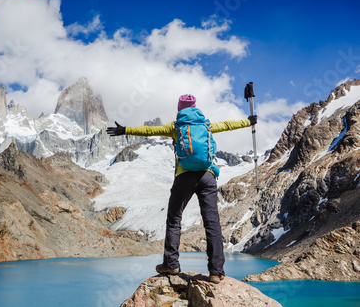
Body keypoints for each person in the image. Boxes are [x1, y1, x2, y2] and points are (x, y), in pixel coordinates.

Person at [106, 94, 257, 284]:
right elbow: (228, 125)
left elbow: (149, 131)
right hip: (208, 176)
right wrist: (248, 121)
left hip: (184, 177)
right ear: (195, 107)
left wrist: (124, 129)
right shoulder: (207, 125)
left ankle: (171, 264)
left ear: (180, 109)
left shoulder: (176, 127)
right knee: (212, 224)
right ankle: (216, 272)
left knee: (174, 218)